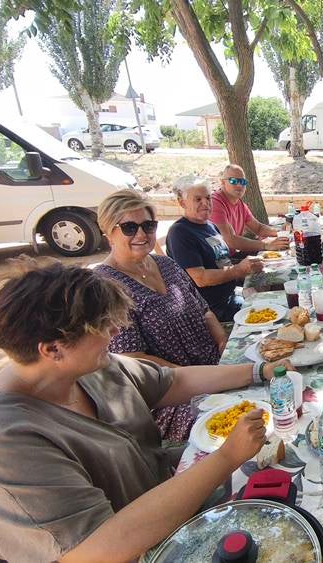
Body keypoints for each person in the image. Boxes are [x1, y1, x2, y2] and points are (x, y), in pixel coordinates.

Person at [0, 259, 273, 562]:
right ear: (53, 348)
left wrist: (259, 370)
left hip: (147, 511)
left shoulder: (84, 368)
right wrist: (226, 457)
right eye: (103, 326)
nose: (116, 332)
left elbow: (171, 382)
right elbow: (97, 549)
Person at [94, 190, 292, 441]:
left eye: (148, 225)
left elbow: (203, 309)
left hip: (214, 363)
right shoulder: (104, 286)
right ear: (108, 233)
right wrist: (197, 378)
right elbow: (133, 360)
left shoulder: (165, 264)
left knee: (283, 384)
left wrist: (223, 342)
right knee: (252, 424)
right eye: (129, 228)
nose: (142, 234)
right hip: (172, 392)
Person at [166, 178, 263, 322]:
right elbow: (201, 278)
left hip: (232, 294)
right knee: (269, 312)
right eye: (198, 199)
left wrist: (248, 268)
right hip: (212, 310)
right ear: (182, 202)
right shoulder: (180, 233)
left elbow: (223, 262)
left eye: (208, 198)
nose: (205, 203)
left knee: (274, 297)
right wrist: (239, 270)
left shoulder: (210, 226)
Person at [209, 164, 289, 256]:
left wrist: (282, 233)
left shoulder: (240, 205)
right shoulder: (215, 203)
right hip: (217, 262)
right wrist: (266, 245)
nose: (239, 185)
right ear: (223, 182)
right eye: (233, 181)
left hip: (230, 256)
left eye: (243, 182)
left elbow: (259, 228)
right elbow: (230, 240)